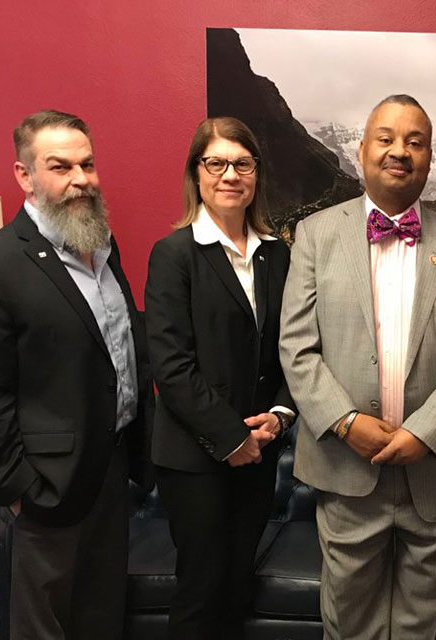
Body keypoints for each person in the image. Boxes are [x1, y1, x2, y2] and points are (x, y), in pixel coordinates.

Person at [278, 94, 436, 639]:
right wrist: (346, 423)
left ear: (428, 157)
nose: (400, 151)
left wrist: (426, 433)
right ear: (362, 151)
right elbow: (297, 347)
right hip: (346, 470)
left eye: (415, 142)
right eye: (387, 138)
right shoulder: (314, 235)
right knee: (349, 625)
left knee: (427, 627)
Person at [0, 109, 153, 639]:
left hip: (110, 474)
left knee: (101, 620)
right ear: (24, 176)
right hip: (44, 492)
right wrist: (18, 489)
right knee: (44, 629)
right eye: (60, 166)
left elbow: (117, 352)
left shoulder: (103, 249)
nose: (81, 179)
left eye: (88, 164)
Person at [144, 117, 295, 640]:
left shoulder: (278, 254)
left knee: (236, 586)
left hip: (259, 451)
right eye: (217, 163)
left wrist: (278, 417)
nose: (230, 174)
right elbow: (172, 366)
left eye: (243, 163)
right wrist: (232, 439)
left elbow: (291, 351)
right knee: (201, 589)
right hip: (195, 458)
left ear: (256, 175)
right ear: (197, 173)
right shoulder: (174, 255)